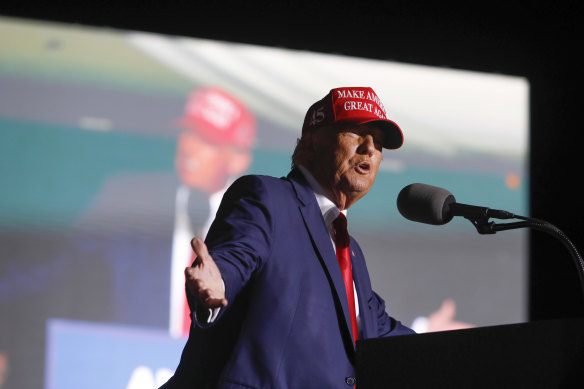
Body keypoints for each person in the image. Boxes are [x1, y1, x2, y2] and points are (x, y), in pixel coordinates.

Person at [160, 87, 415, 389]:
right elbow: (234, 257)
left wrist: (469, 355)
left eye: (379, 143)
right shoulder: (268, 198)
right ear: (312, 142)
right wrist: (219, 282)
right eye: (355, 133)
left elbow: (383, 333)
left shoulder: (350, 252)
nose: (370, 148)